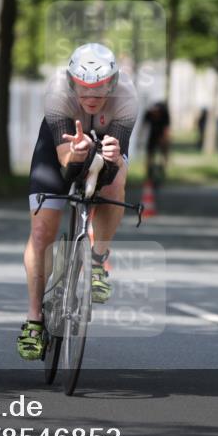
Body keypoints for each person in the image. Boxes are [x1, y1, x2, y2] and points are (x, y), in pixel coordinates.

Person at [18, 43, 140, 360]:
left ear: (112, 84)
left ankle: (98, 262)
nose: (90, 98)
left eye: (98, 92)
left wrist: (110, 159)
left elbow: (116, 169)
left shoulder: (127, 98)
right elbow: (66, 166)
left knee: (114, 188)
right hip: (62, 147)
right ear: (72, 82)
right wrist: (78, 152)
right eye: (83, 90)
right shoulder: (58, 92)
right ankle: (34, 320)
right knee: (43, 231)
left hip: (104, 141)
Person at [142, 101, 171, 183]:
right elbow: (144, 126)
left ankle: (163, 170)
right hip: (152, 135)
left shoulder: (164, 114)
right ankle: (149, 172)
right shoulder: (148, 114)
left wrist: (165, 140)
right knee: (150, 154)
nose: (156, 114)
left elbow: (166, 128)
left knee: (164, 153)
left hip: (161, 135)